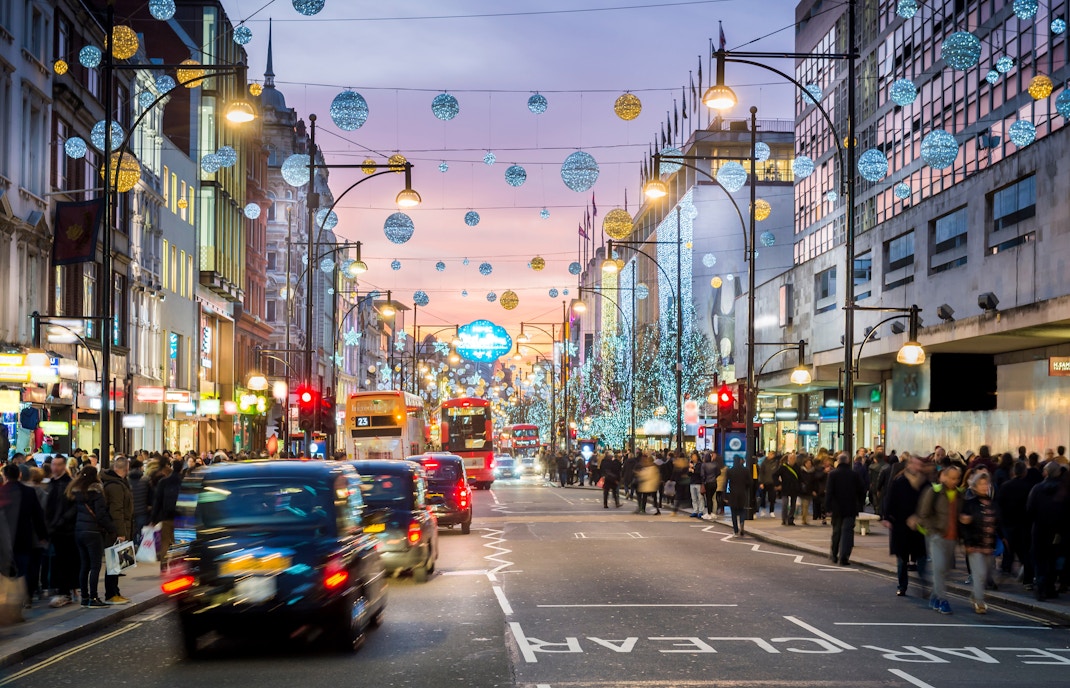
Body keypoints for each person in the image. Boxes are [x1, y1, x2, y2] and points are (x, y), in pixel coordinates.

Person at [913, 462, 964, 614]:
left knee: (945, 571)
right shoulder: (934, 492)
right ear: (944, 477)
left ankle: (934, 597)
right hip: (936, 536)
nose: (954, 481)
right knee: (939, 569)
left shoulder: (960, 495)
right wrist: (932, 531)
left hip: (952, 538)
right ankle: (943, 600)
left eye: (957, 478)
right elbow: (924, 514)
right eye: (952, 478)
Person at [881, 454, 929, 597]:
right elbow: (890, 499)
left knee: (921, 557)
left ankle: (924, 585)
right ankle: (902, 586)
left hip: (918, 526)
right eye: (914, 464)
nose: (917, 467)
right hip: (901, 525)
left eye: (919, 465)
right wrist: (887, 517)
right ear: (908, 465)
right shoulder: (899, 481)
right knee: (902, 558)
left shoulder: (925, 484)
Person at [66, 466, 114, 608]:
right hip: (93, 532)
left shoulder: (76, 491)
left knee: (84, 566)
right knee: (95, 566)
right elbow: (100, 514)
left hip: (79, 531)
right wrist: (111, 529)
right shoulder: (97, 491)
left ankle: (84, 597)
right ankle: (93, 597)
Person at [0, 463, 48, 605]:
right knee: (24, 568)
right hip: (23, 537)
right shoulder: (29, 492)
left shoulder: (2, 492)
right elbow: (37, 515)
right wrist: (42, 535)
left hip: (4, 538)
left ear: (5, 476)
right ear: (19, 475)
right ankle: (26, 596)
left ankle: (8, 598)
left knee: (7, 569)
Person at [959, 470, 998, 614]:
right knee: (979, 574)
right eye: (980, 484)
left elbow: (998, 523)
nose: (983, 486)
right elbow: (963, 525)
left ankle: (975, 596)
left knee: (985, 575)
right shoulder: (969, 504)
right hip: (974, 545)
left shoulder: (993, 503)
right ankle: (980, 603)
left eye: (986, 483)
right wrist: (967, 542)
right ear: (974, 486)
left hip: (988, 546)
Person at [1026, 461, 1066, 601]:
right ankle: (1050, 588)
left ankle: (1041, 588)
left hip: (1039, 529)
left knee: (1039, 560)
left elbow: (1030, 509)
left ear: (1046, 472)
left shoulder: (1037, 488)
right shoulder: (1064, 489)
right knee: (1053, 559)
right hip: (1058, 531)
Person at [101, 457, 134, 604]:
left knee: (117, 563)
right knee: (113, 563)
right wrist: (121, 533)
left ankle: (115, 592)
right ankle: (111, 594)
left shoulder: (119, 483)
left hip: (119, 528)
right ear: (126, 469)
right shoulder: (115, 486)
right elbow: (117, 511)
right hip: (116, 530)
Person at [996, 461, 1033, 588]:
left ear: (1013, 472)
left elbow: (999, 505)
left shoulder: (1005, 486)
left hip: (1008, 523)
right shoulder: (1029, 486)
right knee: (1024, 552)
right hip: (1023, 524)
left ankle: (1004, 574)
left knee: (1008, 550)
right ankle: (1028, 581)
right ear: (1024, 472)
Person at [825, 452, 865, 566]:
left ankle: (834, 554)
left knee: (836, 531)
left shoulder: (832, 474)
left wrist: (827, 507)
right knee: (847, 533)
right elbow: (862, 490)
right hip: (850, 508)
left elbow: (829, 492)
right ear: (848, 461)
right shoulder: (854, 474)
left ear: (838, 461)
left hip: (836, 508)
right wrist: (859, 503)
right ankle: (844, 557)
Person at [152, 459, 185, 565]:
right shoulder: (184, 481)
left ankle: (164, 564)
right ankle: (177, 564)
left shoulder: (164, 482)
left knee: (165, 542)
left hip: (166, 516)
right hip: (181, 517)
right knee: (179, 542)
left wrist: (153, 518)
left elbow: (157, 501)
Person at [725, 455, 752, 537]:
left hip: (733, 493)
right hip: (742, 493)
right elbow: (750, 482)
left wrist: (725, 495)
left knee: (733, 513)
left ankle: (736, 531)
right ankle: (742, 523)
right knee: (742, 510)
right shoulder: (745, 470)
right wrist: (745, 488)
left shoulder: (730, 470)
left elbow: (726, 482)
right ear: (740, 461)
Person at [776, 453, 802, 526]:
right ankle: (784, 519)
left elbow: (800, 478)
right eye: (791, 458)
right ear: (788, 459)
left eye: (794, 459)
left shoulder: (797, 467)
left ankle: (790, 519)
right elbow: (775, 475)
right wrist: (778, 484)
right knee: (785, 504)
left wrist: (800, 486)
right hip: (785, 488)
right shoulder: (783, 467)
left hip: (794, 488)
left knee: (793, 505)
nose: (792, 460)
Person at [757, 452, 780, 518]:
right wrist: (761, 482)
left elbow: (778, 472)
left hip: (772, 482)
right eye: (769, 454)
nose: (770, 455)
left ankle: (771, 511)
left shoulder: (776, 463)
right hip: (765, 482)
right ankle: (763, 510)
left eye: (772, 454)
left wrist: (777, 483)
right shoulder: (764, 462)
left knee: (772, 498)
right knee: (763, 497)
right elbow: (761, 473)